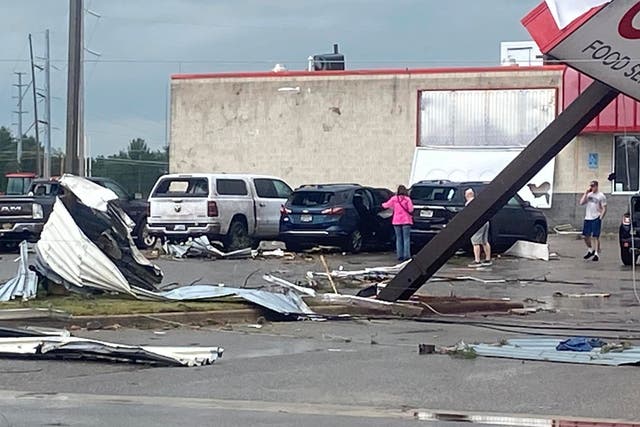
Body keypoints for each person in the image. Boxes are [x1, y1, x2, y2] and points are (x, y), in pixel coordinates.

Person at [382, 185, 414, 261]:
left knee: (398, 238)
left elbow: (385, 205)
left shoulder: (394, 199)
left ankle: (399, 255)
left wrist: (381, 204)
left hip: (396, 221)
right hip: (406, 221)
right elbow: (411, 210)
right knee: (406, 238)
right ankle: (407, 255)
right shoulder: (407, 199)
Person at [580, 180, 607, 262]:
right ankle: (590, 249)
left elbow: (604, 207)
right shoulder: (589, 195)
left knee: (595, 236)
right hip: (588, 217)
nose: (592, 188)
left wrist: (601, 217)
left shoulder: (601, 196)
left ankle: (596, 254)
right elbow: (581, 203)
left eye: (593, 186)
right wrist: (586, 193)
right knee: (585, 236)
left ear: (597, 186)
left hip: (596, 217)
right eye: (591, 186)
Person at [464, 188, 492, 268]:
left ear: (467, 195)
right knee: (485, 241)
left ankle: (477, 261)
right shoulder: (479, 201)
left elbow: (468, 215)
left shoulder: (469, 203)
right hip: (485, 222)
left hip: (477, 223)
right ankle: (488, 259)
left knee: (475, 242)